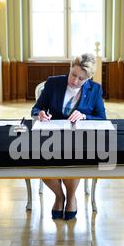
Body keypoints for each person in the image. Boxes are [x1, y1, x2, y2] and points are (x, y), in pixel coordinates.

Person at [31, 53, 106, 220]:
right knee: (38, 158)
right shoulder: (53, 83)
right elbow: (36, 109)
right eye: (73, 75)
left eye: (81, 79)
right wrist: (40, 114)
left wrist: (85, 116)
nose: (75, 81)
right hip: (52, 135)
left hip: (80, 138)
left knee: (73, 157)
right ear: (70, 68)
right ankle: (59, 196)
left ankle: (71, 197)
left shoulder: (95, 89)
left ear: (89, 78)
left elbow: (102, 117)